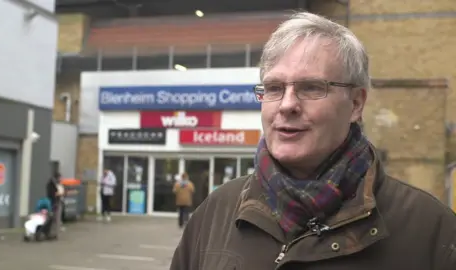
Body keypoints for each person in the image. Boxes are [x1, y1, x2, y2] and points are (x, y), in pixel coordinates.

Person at [170, 12, 456, 270]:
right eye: (274, 88)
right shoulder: (214, 212)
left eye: (311, 87)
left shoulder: (432, 231)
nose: (287, 105)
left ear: (356, 103)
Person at [46, 172, 64, 240]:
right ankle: (52, 234)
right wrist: (59, 193)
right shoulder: (52, 184)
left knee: (56, 219)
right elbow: (52, 194)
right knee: (55, 219)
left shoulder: (56, 184)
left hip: (56, 202)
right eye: (60, 177)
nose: (61, 179)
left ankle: (54, 233)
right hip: (54, 203)